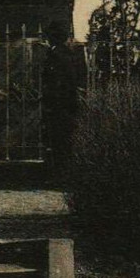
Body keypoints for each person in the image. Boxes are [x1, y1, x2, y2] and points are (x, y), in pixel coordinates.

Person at [41, 21, 81, 174]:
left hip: (59, 106)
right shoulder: (65, 54)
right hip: (65, 105)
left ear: (51, 38)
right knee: (62, 141)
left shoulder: (57, 55)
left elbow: (59, 83)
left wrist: (52, 102)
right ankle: (61, 172)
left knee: (59, 141)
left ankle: (61, 173)